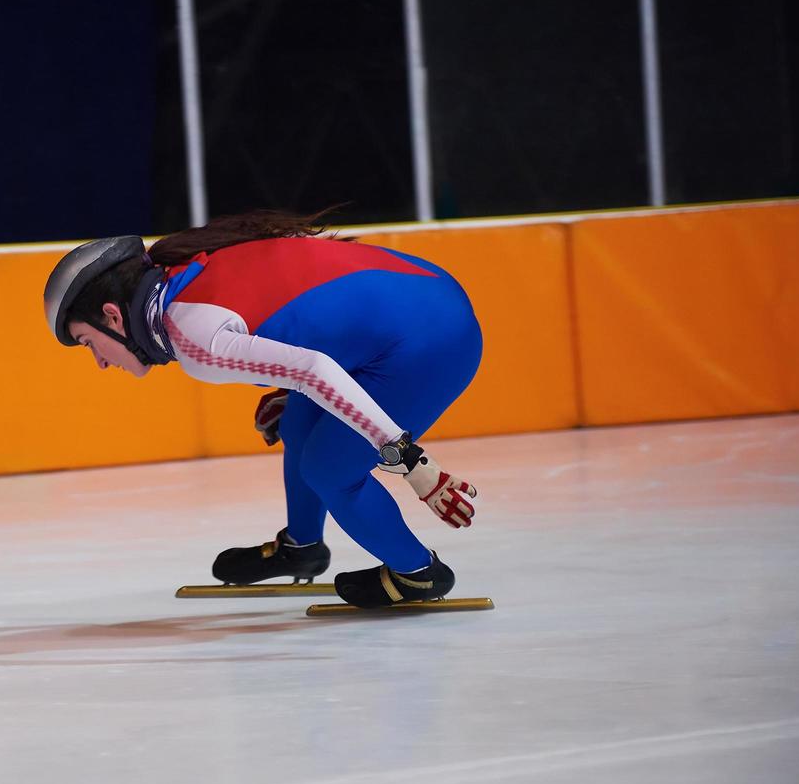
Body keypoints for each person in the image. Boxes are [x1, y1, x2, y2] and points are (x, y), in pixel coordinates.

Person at [42, 210, 482, 608]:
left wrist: (410, 461)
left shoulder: (193, 337)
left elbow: (312, 368)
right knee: (298, 421)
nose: (100, 362)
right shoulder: (187, 270)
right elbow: (300, 310)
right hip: (427, 293)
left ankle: (419, 573)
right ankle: (302, 546)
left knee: (330, 470)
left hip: (431, 340)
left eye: (87, 344)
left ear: (112, 317)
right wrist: (288, 390)